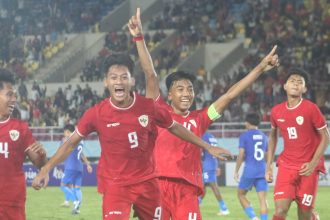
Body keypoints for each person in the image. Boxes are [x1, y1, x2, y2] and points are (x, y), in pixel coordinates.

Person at [32, 54, 231, 220]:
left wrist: (207, 146)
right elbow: (70, 143)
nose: (119, 81)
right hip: (116, 185)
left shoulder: (148, 107)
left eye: (124, 77)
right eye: (114, 77)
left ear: (132, 81)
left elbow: (175, 127)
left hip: (148, 185)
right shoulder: (96, 113)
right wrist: (46, 169)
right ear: (106, 82)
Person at [128, 7, 279, 219]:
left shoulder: (201, 118)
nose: (186, 93)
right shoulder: (158, 110)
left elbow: (229, 96)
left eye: (190, 89)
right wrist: (139, 38)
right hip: (157, 187)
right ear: (169, 94)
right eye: (180, 89)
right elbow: (150, 75)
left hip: (188, 190)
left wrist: (260, 68)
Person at [265, 68, 329, 220]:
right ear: (285, 86)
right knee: (280, 210)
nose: (296, 83)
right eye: (292, 81)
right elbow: (273, 136)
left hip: (308, 169)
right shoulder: (276, 111)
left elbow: (326, 137)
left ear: (304, 89)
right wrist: (268, 166)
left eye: (300, 82)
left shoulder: (311, 108)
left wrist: (313, 164)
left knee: (304, 214)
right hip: (287, 166)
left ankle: (311, 216)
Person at [0, 68, 47, 220]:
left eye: (14, 95)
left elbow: (39, 163)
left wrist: (42, 157)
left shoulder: (20, 128)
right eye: (9, 94)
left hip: (13, 203)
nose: (14, 99)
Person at [234, 113, 269, 220]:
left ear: (247, 123)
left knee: (241, 195)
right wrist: (268, 169)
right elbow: (267, 155)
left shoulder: (244, 136)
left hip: (250, 170)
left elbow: (241, 154)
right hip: (262, 170)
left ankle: (254, 217)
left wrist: (236, 171)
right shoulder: (264, 136)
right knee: (263, 199)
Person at [59, 124, 93, 215]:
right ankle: (77, 209)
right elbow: (81, 153)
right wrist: (88, 164)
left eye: (65, 132)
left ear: (67, 132)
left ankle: (75, 202)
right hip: (79, 167)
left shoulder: (67, 140)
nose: (64, 134)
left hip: (70, 167)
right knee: (77, 188)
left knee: (63, 186)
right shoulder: (80, 140)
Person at [200, 132, 229, 216]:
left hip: (208, 164)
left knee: (213, 186)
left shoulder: (203, 136)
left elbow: (200, 152)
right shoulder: (212, 137)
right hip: (213, 163)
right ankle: (196, 203)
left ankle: (224, 208)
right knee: (203, 186)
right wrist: (218, 165)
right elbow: (217, 151)